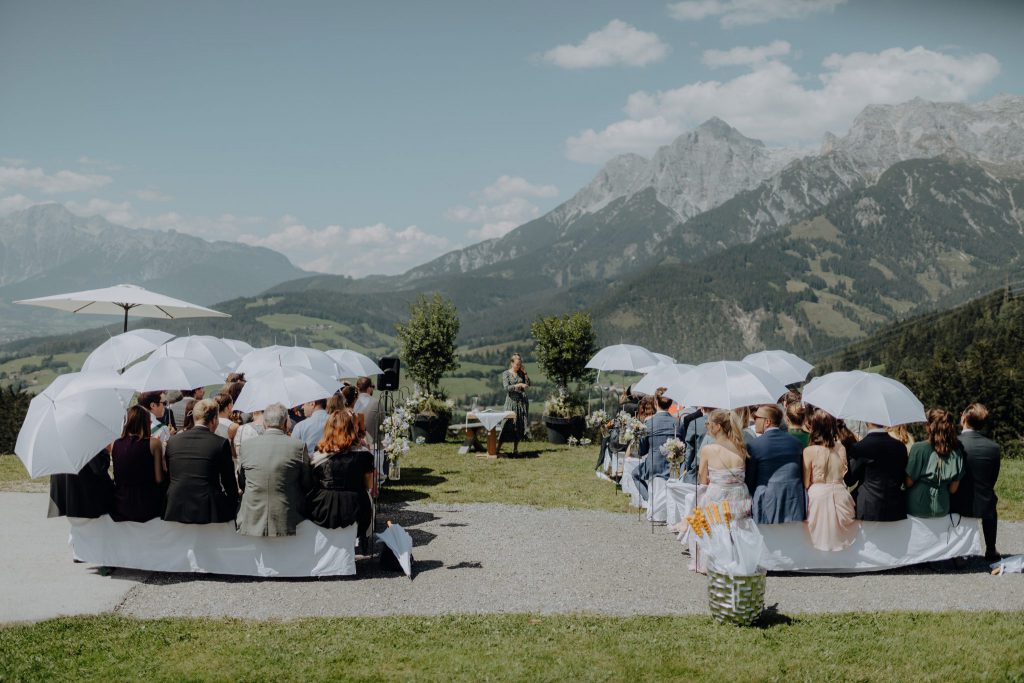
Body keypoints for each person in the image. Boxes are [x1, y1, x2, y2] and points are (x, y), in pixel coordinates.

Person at [236, 403, 313, 537]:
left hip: (252, 515)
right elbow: (307, 482)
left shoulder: (247, 446)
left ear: (265, 424)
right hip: (288, 514)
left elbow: (242, 481)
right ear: (285, 424)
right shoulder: (298, 446)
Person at [163, 398, 239, 524]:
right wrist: (233, 504)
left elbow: (169, 475)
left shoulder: (173, 441)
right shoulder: (220, 443)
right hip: (208, 508)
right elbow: (229, 481)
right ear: (214, 419)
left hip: (175, 505)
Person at [307, 410, 375, 548]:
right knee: (367, 498)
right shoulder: (364, 456)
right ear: (352, 429)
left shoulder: (317, 456)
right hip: (355, 507)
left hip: (323, 508)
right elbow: (369, 485)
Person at [803, 409, 858, 551]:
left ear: (814, 426)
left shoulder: (808, 451)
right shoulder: (841, 447)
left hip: (818, 493)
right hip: (840, 492)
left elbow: (806, 483)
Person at [952, 403, 1002, 561]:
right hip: (984, 500)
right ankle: (991, 549)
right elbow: (992, 477)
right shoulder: (993, 447)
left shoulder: (955, 443)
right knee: (990, 500)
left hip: (958, 499)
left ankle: (957, 552)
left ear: (964, 418)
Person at [745, 404, 806, 524]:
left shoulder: (754, 445)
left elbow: (750, 479)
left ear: (767, 422)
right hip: (793, 498)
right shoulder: (796, 443)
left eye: (756, 417)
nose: (754, 420)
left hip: (767, 500)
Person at [110, 405, 165, 523]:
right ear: (145, 422)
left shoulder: (115, 444)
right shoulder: (154, 443)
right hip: (147, 503)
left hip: (121, 503)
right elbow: (159, 479)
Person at [906, 408, 964, 518]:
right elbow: (953, 489)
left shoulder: (919, 448)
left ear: (928, 426)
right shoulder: (956, 452)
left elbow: (908, 482)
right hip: (942, 506)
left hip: (917, 506)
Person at [845, 421, 908, 522]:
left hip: (868, 508)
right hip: (895, 507)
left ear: (867, 422)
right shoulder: (900, 447)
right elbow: (902, 477)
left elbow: (849, 480)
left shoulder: (860, 447)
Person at [632, 388, 678, 502]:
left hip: (653, 466)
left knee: (635, 474)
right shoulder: (678, 422)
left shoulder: (649, 423)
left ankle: (650, 500)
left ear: (655, 402)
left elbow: (641, 451)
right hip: (673, 467)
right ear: (671, 403)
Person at [47, 450, 114, 519]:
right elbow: (99, 467)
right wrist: (106, 451)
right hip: (88, 506)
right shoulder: (86, 441)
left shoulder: (58, 444)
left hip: (68, 505)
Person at [498, 353, 530, 455]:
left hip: (521, 402)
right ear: (512, 363)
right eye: (517, 364)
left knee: (519, 426)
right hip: (510, 403)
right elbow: (506, 388)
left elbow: (528, 383)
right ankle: (498, 448)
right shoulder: (506, 374)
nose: (518, 366)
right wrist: (518, 385)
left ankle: (515, 449)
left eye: (520, 364)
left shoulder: (521, 373)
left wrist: (525, 376)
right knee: (506, 425)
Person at [679, 406, 710, 484]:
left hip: (698, 467)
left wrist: (688, 468)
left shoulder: (695, 423)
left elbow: (689, 449)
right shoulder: (723, 423)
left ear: (702, 409)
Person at [355, 377, 381, 448]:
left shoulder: (353, 402)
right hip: (373, 445)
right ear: (369, 388)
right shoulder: (376, 402)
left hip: (356, 446)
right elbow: (382, 423)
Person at [213, 393, 240, 459]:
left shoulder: (210, 422)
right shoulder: (233, 426)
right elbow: (235, 452)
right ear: (228, 406)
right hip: (227, 460)